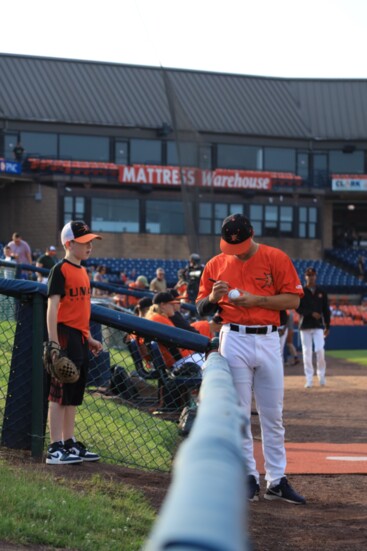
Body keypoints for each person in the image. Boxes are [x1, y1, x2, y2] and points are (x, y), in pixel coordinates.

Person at [196, 213, 306, 504]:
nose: (236, 250)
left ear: (252, 234)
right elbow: (200, 308)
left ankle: (276, 480)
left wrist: (256, 300)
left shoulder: (275, 257)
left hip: (269, 338)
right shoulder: (216, 263)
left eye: (241, 244)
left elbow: (294, 300)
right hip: (234, 337)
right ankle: (247, 477)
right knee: (240, 413)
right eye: (231, 245)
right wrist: (211, 299)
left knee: (273, 414)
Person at [45, 220, 103, 465]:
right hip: (64, 335)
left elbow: (81, 310)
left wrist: (88, 337)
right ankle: (54, 447)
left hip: (79, 337)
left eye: (90, 241)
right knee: (59, 394)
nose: (89, 245)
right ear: (69, 244)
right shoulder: (60, 269)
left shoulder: (83, 271)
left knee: (73, 393)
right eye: (83, 242)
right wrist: (54, 343)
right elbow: (53, 307)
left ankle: (69, 442)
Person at [296, 266, 331, 388]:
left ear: (316, 276)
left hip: (318, 325)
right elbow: (297, 307)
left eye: (312, 275)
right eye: (308, 275)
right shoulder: (301, 292)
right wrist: (310, 313)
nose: (310, 277)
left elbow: (326, 310)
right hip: (305, 324)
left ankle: (321, 376)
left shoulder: (321, 292)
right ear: (305, 277)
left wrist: (328, 325)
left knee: (320, 350)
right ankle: (309, 379)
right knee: (306, 352)